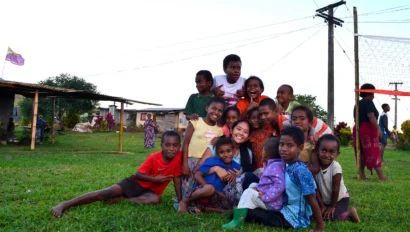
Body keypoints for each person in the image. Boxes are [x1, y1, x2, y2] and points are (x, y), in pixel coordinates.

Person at [50, 131, 183, 218]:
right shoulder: (153, 157)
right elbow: (137, 174)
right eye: (168, 145)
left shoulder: (179, 158)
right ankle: (64, 204)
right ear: (161, 145)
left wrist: (181, 201)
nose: (171, 148)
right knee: (104, 193)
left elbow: (177, 179)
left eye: (175, 145)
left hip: (150, 192)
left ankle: (121, 199)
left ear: (179, 146)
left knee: (155, 200)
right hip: (134, 184)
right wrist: (154, 179)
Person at [245, 126, 325, 231]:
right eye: (281, 144)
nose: (283, 149)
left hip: (294, 218)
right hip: (285, 210)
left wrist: (320, 227)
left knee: (250, 213)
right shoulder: (287, 165)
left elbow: (312, 198)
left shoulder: (300, 171)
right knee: (253, 207)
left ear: (300, 148)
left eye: (289, 145)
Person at [222, 137, 285, 229]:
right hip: (270, 199)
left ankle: (238, 220)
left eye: (263, 150)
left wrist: (266, 197)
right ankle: (244, 211)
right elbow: (267, 183)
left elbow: (280, 185)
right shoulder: (274, 164)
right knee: (253, 185)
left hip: (271, 203)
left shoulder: (274, 167)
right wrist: (258, 188)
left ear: (266, 153)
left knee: (248, 192)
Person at [193, 120, 256, 205]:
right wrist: (216, 169)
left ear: (248, 137)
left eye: (245, 132)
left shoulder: (247, 153)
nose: (241, 133)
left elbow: (245, 177)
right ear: (231, 130)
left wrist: (237, 177)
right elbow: (196, 172)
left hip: (228, 190)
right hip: (209, 186)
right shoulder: (217, 147)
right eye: (238, 129)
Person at [178, 138, 241, 214]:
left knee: (232, 205)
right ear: (217, 153)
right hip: (203, 191)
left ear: (233, 151)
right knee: (209, 188)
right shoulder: (212, 160)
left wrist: (234, 176)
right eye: (222, 152)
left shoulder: (236, 166)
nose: (226, 154)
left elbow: (236, 182)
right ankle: (184, 201)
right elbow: (197, 175)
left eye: (228, 151)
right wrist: (207, 186)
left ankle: (203, 208)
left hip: (217, 196)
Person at [181, 96, 225, 197]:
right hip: (191, 161)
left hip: (207, 164)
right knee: (187, 189)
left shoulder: (219, 130)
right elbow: (186, 142)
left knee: (201, 188)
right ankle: (184, 201)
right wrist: (185, 163)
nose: (216, 112)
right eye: (213, 108)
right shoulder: (195, 121)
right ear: (207, 108)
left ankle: (197, 204)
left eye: (220, 111)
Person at [314, 134, 360, 223]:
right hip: (325, 200)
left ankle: (350, 212)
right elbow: (316, 189)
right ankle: (327, 209)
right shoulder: (315, 167)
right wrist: (322, 206)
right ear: (317, 150)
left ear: (337, 154)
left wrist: (332, 207)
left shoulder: (335, 167)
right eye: (323, 150)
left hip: (340, 198)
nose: (327, 155)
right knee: (317, 215)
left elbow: (336, 189)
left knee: (335, 217)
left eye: (331, 152)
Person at [353, 83, 390, 181]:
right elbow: (371, 116)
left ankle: (362, 174)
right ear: (370, 92)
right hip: (367, 128)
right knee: (373, 151)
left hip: (357, 128)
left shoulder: (358, 103)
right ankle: (381, 177)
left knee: (360, 152)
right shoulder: (368, 102)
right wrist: (378, 128)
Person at [258, 98, 332, 139]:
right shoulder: (273, 126)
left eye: (266, 113)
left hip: (325, 136)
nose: (263, 117)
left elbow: (310, 121)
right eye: (261, 115)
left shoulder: (288, 121)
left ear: (276, 111)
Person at [290, 105, 320, 174]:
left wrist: (297, 170)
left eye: (302, 118)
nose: (297, 121)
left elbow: (316, 168)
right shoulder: (285, 143)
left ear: (310, 123)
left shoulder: (313, 145)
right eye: (294, 119)